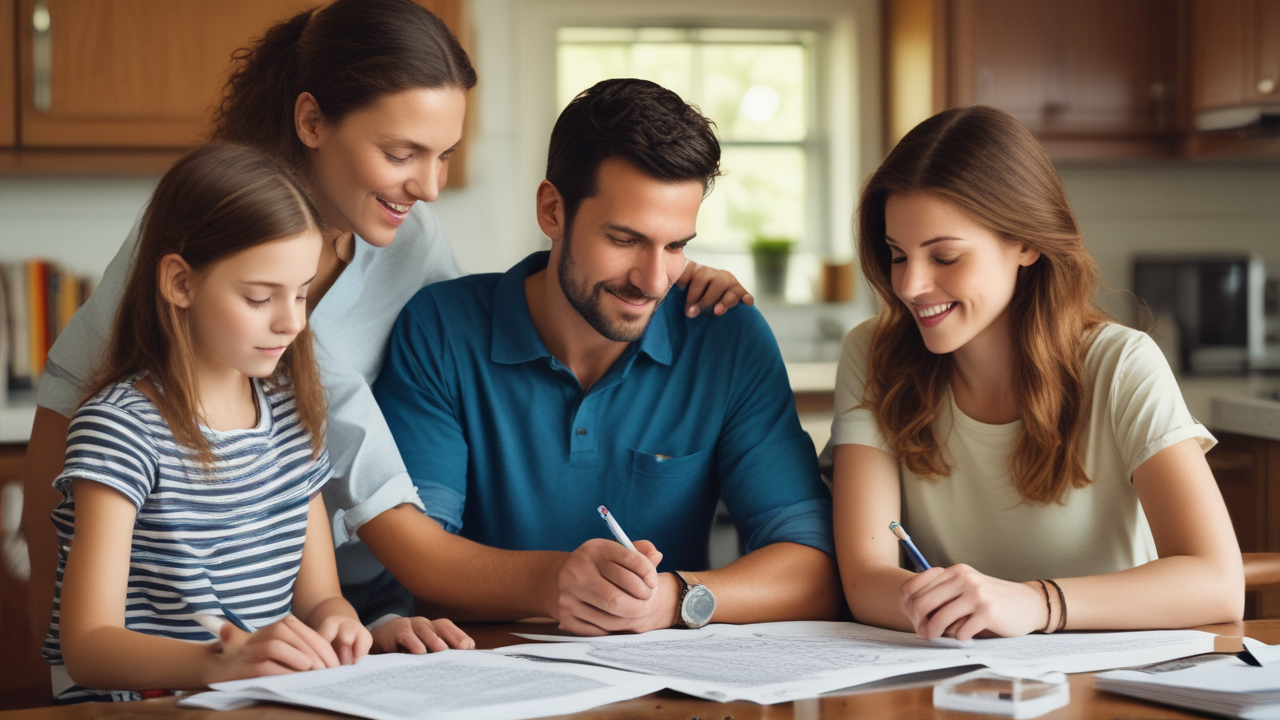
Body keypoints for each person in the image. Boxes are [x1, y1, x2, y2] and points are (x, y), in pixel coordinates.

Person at [21, 0, 750, 656]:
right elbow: (67, 436)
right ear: (312, 122)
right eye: (401, 154)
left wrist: (662, 273)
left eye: (444, 156)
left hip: (335, 614)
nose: (428, 187)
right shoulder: (204, 232)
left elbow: (478, 335)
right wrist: (61, 656)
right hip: (173, 637)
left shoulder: (412, 239)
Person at [362, 79, 841, 635]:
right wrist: (552, 583)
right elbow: (420, 556)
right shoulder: (441, 328)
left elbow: (815, 569)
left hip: (661, 673)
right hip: (484, 665)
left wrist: (675, 598)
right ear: (552, 211)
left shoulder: (725, 338)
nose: (654, 280)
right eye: (624, 239)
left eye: (676, 245)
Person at [828, 106, 1244, 641]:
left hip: (1109, 674)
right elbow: (864, 580)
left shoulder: (1122, 364)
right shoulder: (873, 353)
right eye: (897, 255)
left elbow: (1217, 582)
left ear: (1025, 243)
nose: (910, 286)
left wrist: (1035, 604)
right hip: (955, 671)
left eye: (945, 257)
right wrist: (968, 614)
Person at [44, 144, 409, 703]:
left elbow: (320, 598)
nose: (291, 321)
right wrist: (224, 662)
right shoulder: (120, 431)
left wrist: (338, 622)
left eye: (302, 293)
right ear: (180, 283)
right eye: (260, 297)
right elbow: (89, 647)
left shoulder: (292, 415)